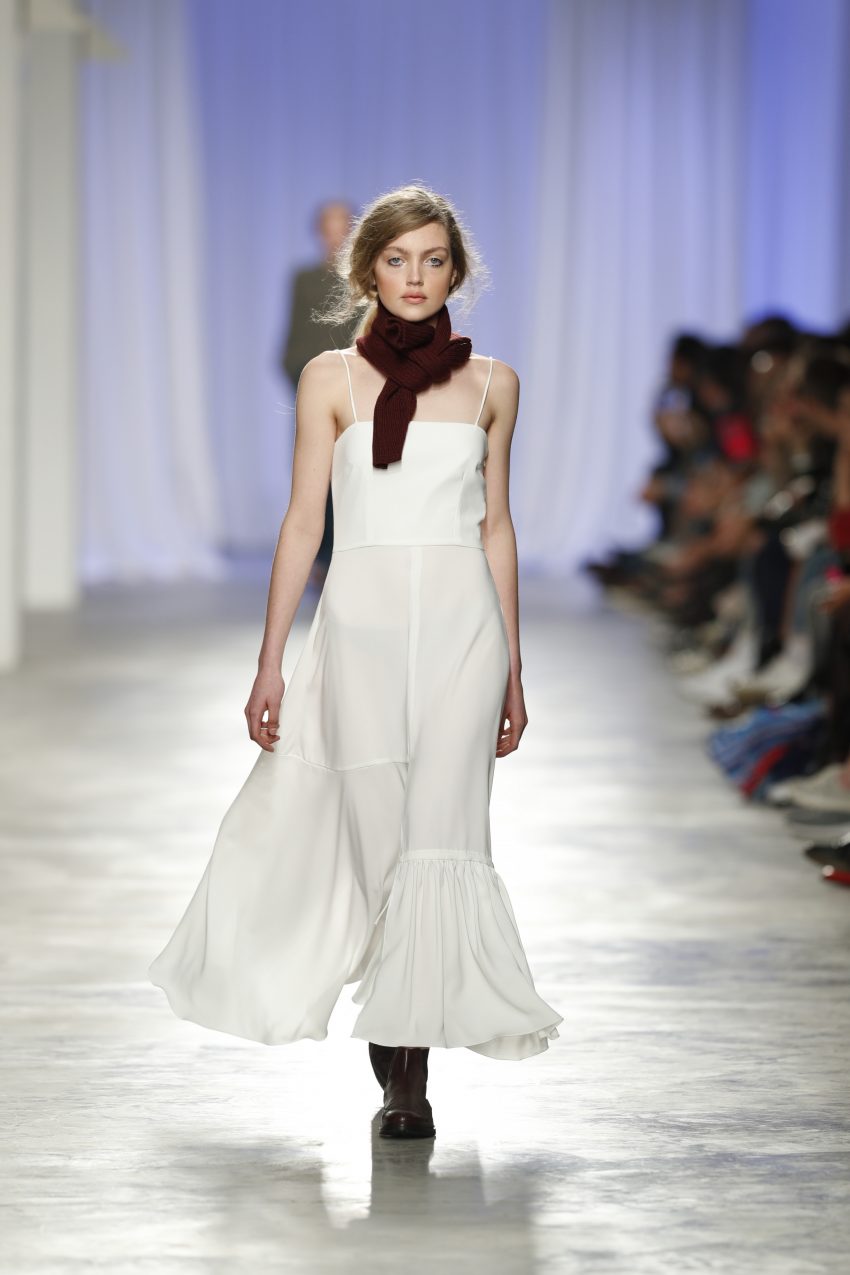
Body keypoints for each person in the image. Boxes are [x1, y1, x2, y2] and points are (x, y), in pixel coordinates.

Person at [149, 182, 563, 1140]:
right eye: (397, 260)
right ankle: (393, 1045)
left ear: (455, 272)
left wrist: (513, 663)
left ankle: (409, 1077)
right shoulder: (328, 380)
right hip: (361, 628)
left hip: (464, 628)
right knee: (381, 842)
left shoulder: (494, 384)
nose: (416, 277)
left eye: (433, 260)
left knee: (442, 837)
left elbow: (497, 526)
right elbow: (304, 522)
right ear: (367, 271)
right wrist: (270, 663)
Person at [279, 199, 357, 588]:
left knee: (355, 475)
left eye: (342, 226)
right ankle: (320, 560)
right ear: (319, 232)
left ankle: (350, 556)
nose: (336, 235)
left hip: (359, 391)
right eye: (329, 227)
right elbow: (294, 338)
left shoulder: (366, 278)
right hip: (312, 389)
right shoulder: (304, 280)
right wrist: (303, 380)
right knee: (315, 478)